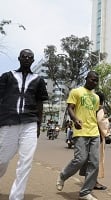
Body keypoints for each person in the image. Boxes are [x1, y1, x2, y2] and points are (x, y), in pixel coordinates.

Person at [0, 49, 48, 200]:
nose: (27, 58)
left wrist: (39, 125)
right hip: (8, 122)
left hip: (30, 123)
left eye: (30, 57)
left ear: (33, 60)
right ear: (19, 58)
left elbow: (40, 103)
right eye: (24, 56)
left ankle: (16, 197)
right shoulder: (7, 76)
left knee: (25, 162)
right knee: (2, 160)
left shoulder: (39, 80)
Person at [56, 71, 100, 200]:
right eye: (92, 79)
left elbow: (94, 113)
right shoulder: (76, 91)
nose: (94, 82)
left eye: (96, 81)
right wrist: (75, 120)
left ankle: (85, 192)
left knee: (94, 163)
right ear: (86, 79)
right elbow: (70, 108)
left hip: (94, 132)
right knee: (80, 159)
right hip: (80, 131)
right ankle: (63, 175)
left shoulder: (96, 97)